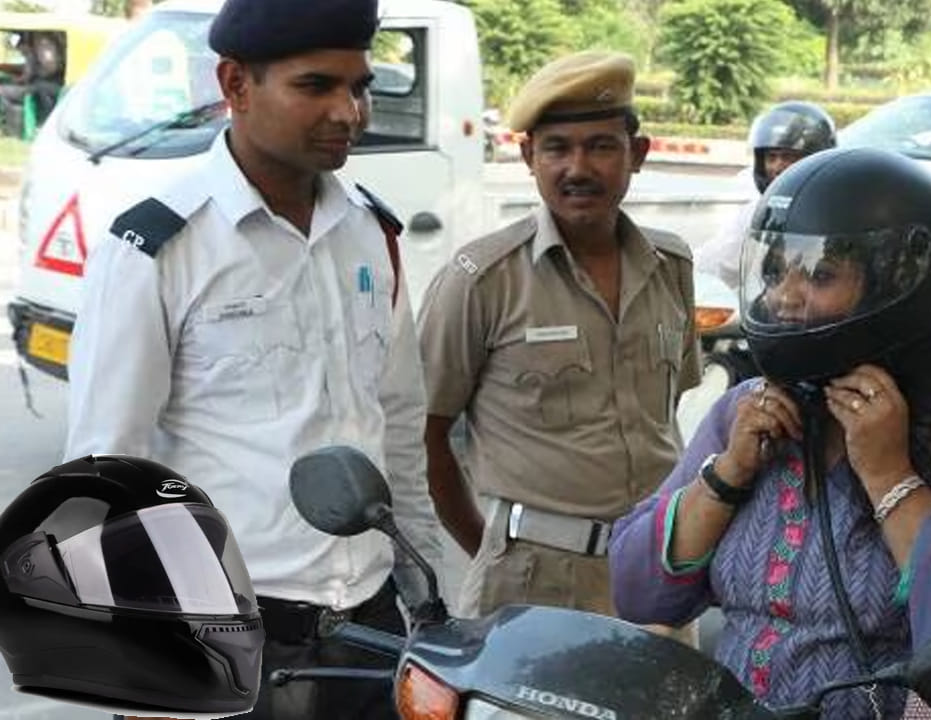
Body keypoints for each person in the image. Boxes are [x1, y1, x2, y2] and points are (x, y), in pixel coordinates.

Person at [63, 1, 443, 718]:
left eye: (359, 87)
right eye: (315, 86)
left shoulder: (370, 232)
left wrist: (424, 590)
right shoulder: (161, 246)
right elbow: (108, 467)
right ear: (236, 84)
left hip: (370, 624)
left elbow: (397, 422)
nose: (349, 112)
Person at [609, 148, 931, 718]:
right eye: (776, 271)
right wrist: (726, 477)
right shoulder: (747, 412)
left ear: (896, 282)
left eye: (820, 274)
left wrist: (890, 476)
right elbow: (637, 590)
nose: (784, 295)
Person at [417, 51, 701, 630]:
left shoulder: (672, 265)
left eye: (600, 146)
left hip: (654, 573)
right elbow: (426, 435)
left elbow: (663, 417)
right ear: (528, 157)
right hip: (532, 578)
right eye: (557, 148)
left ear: (636, 154)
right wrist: (494, 548)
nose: (579, 167)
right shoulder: (482, 280)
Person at [694, 101, 836, 289]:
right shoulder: (757, 213)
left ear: (815, 159)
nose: (777, 167)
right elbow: (712, 264)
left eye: (788, 157)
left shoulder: (836, 214)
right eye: (771, 157)